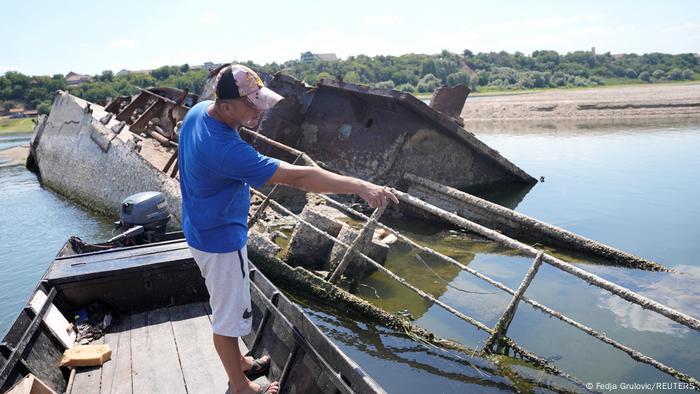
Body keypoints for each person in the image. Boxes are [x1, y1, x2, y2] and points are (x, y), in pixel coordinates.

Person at [178, 64, 398, 394]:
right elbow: (299, 176)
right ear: (225, 106)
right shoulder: (226, 150)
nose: (259, 109)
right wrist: (359, 185)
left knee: (225, 304)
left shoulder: (199, 112)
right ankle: (240, 386)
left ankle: (239, 362)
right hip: (220, 240)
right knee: (227, 317)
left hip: (199, 226)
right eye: (250, 104)